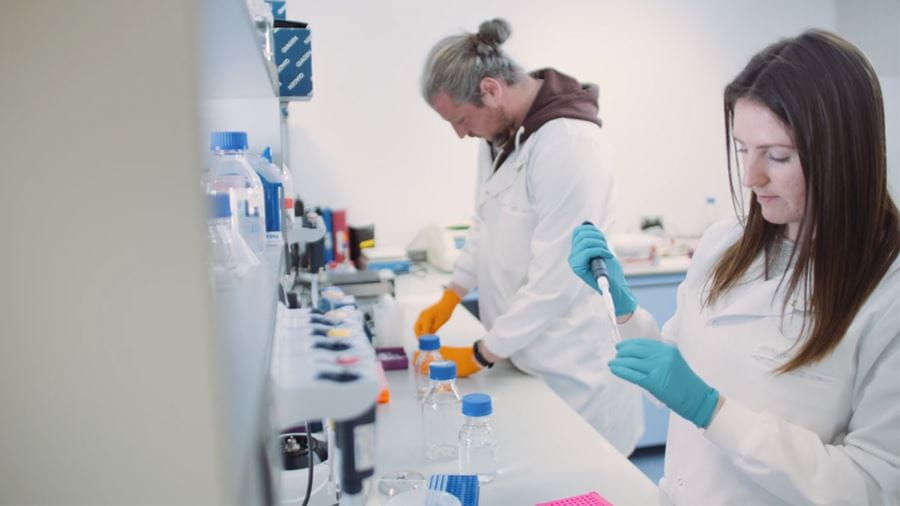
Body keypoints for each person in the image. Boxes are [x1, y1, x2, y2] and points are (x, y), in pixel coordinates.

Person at [570, 29, 900, 504]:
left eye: (778, 156)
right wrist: (622, 309)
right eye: (744, 149)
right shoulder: (726, 244)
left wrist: (713, 412)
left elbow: (873, 485)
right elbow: (676, 378)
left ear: (842, 153)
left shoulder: (886, 292)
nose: (750, 177)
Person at [414, 18, 643, 455]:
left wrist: (483, 352)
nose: (460, 133)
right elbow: (484, 223)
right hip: (522, 358)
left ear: (491, 90)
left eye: (461, 119)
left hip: (573, 370)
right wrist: (452, 292)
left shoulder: (569, 143)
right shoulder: (500, 140)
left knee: (586, 481)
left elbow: (557, 277)